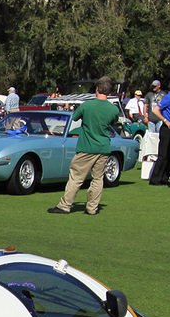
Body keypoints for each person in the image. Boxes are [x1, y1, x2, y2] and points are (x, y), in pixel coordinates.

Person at [44, 78, 121, 216]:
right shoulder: (113, 109)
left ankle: (65, 205)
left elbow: (74, 118)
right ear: (109, 91)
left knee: (76, 177)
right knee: (98, 179)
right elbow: (113, 122)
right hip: (103, 147)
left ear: (97, 89)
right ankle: (92, 208)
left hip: (86, 147)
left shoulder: (87, 105)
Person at [148, 79, 170, 184]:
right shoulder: (168, 98)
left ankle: (164, 177)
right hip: (167, 128)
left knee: (169, 154)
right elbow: (155, 110)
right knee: (163, 154)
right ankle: (155, 178)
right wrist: (165, 120)